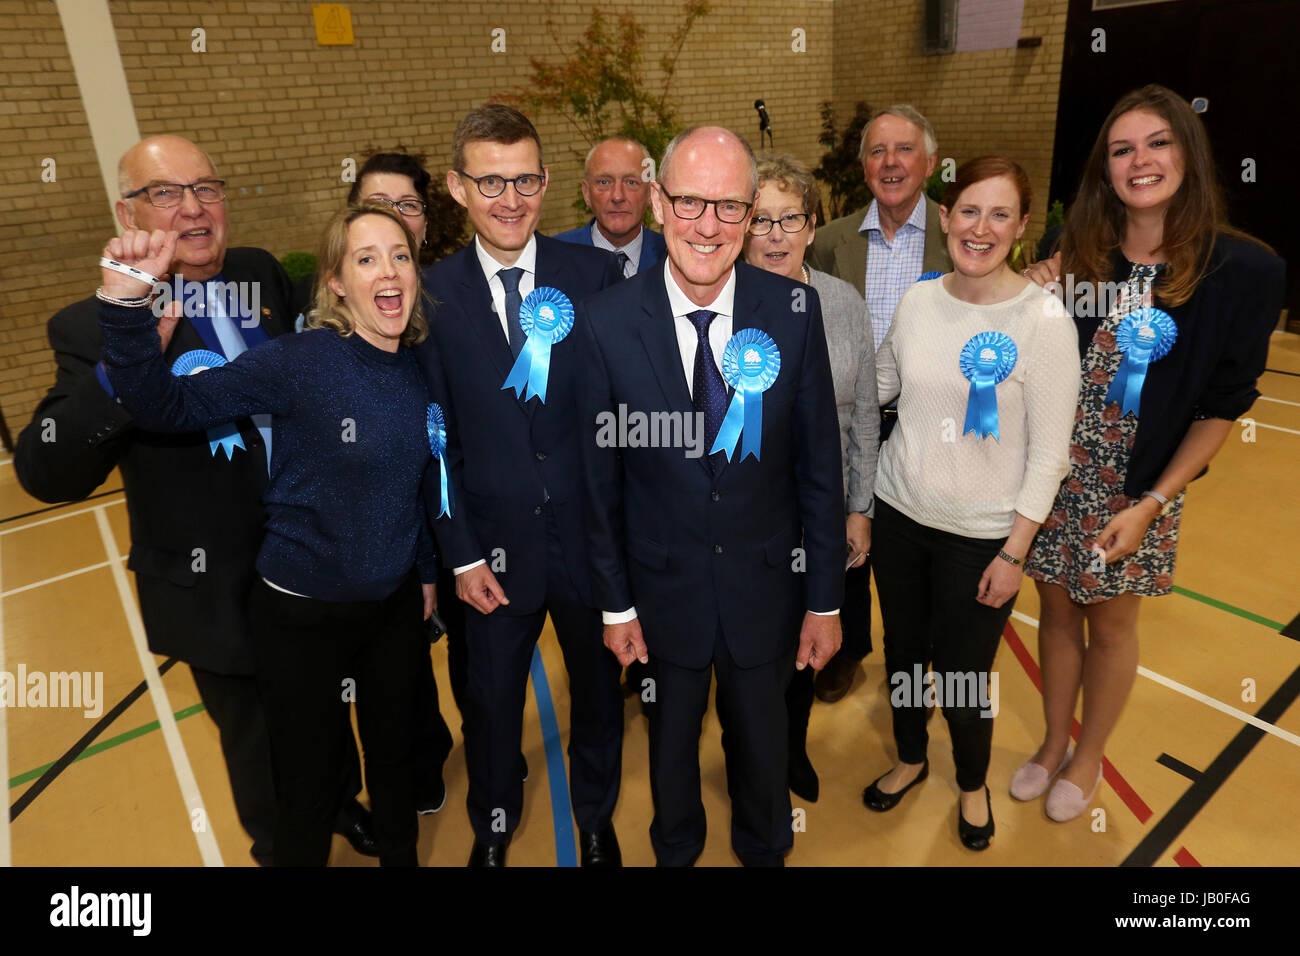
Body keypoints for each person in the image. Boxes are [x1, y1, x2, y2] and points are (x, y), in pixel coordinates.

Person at [13, 134, 374, 864]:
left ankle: (342, 804)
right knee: (259, 745)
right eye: (167, 193)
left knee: (331, 708)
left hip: (312, 563)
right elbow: (47, 470)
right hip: (216, 587)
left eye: (207, 188)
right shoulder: (91, 326)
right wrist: (126, 356)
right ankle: (284, 850)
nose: (194, 207)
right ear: (127, 212)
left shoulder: (259, 273)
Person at [95, 202, 441, 866]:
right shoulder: (299, 361)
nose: (389, 271)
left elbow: (410, 482)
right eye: (366, 258)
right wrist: (124, 313)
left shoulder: (417, 365)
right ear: (336, 282)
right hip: (300, 614)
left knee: (396, 767)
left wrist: (423, 570)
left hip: (392, 609)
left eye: (400, 255)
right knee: (305, 786)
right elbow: (166, 406)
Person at [1017, 85, 1286, 822]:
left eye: (1158, 143)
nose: (1141, 161)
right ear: (1106, 170)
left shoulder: (1244, 272)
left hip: (1140, 492)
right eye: (1122, 149)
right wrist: (1034, 291)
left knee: (1109, 623)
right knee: (1056, 615)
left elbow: (1223, 408)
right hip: (1057, 479)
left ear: (1187, 155)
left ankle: (1089, 753)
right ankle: (1049, 742)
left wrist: (1154, 503)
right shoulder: (1074, 252)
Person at [581, 126, 845, 866]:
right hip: (661, 596)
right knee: (670, 760)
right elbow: (597, 485)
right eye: (691, 201)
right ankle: (677, 852)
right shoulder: (604, 324)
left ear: (752, 210)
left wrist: (824, 600)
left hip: (768, 589)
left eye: (728, 206)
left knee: (763, 761)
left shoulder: (794, 313)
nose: (708, 225)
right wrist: (615, 604)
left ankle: (765, 851)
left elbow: (820, 466)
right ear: (659, 202)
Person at [417, 104, 625, 867]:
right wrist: (461, 555)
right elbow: (435, 442)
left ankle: (597, 822)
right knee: (492, 709)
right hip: (490, 556)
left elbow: (620, 417)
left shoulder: (595, 275)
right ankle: (494, 829)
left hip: (590, 548)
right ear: (457, 187)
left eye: (526, 179)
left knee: (602, 701)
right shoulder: (430, 296)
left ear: (545, 183)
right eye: (492, 181)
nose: (511, 199)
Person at [864, 157, 1079, 851]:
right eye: (967, 211)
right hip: (899, 514)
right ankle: (908, 756)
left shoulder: (1044, 321)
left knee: (961, 675)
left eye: (998, 215)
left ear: (1020, 228)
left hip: (981, 539)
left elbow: (1050, 454)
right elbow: (884, 386)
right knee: (901, 654)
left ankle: (971, 782)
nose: (979, 228)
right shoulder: (920, 300)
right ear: (946, 217)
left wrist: (1015, 551)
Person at [804, 105, 954, 704]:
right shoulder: (832, 240)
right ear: (863, 165)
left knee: (917, 548)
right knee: (850, 536)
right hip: (850, 417)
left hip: (930, 422)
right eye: (877, 151)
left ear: (931, 163)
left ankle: (918, 660)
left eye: (904, 150)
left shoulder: (960, 236)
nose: (890, 163)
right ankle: (849, 646)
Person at [740, 153, 878, 803]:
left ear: (813, 225)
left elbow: (865, 415)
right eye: (760, 219)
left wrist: (859, 508)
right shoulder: (724, 304)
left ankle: (791, 752)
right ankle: (748, 761)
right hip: (746, 515)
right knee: (748, 653)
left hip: (821, 513)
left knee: (805, 644)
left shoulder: (844, 303)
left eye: (788, 218)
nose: (774, 234)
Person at [553, 137, 667, 277]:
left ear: (650, 194)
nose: (617, 196)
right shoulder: (552, 255)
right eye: (604, 182)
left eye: (631, 182)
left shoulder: (672, 257)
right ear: (586, 193)